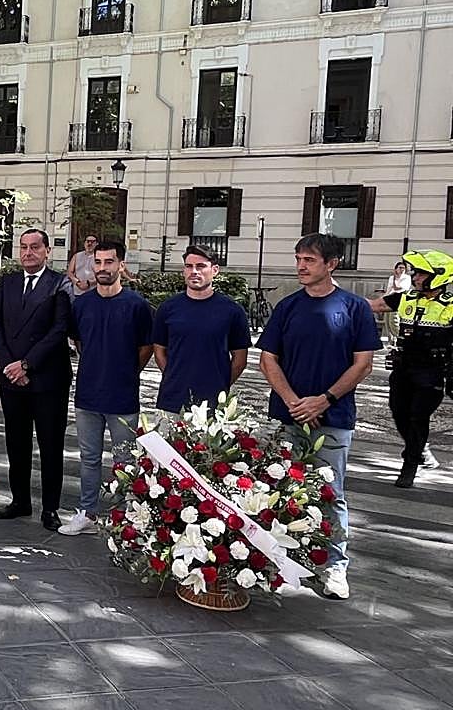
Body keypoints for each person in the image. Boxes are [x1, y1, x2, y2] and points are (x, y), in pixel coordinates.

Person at [257, 233, 379, 601]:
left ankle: (335, 566)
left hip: (334, 417)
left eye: (309, 260)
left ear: (331, 264)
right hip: (288, 414)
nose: (300, 266)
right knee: (280, 490)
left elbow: (364, 364)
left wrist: (324, 400)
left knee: (331, 493)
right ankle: (282, 559)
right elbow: (268, 359)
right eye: (298, 259)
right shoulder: (288, 307)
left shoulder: (355, 308)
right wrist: (295, 401)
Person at [59, 240, 154, 536]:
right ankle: (87, 513)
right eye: (98, 262)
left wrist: (125, 371)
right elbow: (78, 340)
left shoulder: (137, 305)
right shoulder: (83, 304)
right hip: (88, 394)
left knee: (124, 460)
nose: (102, 268)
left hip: (123, 397)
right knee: (88, 458)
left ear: (121, 265)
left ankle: (125, 517)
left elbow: (146, 346)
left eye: (109, 262)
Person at [0, 228, 74, 531]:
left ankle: (50, 508)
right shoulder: (8, 283)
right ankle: (20, 500)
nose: (28, 252)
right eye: (23, 247)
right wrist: (10, 365)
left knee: (50, 445)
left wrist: (26, 364)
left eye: (35, 247)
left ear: (47, 251)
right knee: (16, 442)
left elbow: (59, 330)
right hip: (12, 378)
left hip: (47, 379)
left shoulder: (59, 284)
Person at [367, 250, 452, 487]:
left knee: (418, 416)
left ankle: (410, 464)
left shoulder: (451, 306)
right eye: (415, 273)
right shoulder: (406, 297)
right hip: (404, 368)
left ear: (439, 276)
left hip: (432, 371)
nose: (415, 278)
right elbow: (373, 306)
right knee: (398, 411)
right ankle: (420, 448)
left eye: (421, 274)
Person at [151, 243, 250, 415]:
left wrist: (221, 385)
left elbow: (240, 359)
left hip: (213, 404)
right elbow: (159, 351)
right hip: (172, 401)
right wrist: (174, 377)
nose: (194, 271)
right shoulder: (167, 308)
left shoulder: (232, 311)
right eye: (189, 266)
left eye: (201, 266)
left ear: (215, 270)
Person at [381, 261, 412, 347]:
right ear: (396, 269)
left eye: (403, 268)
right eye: (400, 268)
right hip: (389, 298)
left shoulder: (407, 278)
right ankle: (391, 341)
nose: (402, 270)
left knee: (394, 321)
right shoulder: (391, 278)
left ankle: (399, 338)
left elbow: (397, 288)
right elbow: (389, 289)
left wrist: (395, 279)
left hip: (398, 300)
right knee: (387, 321)